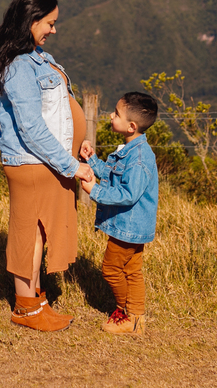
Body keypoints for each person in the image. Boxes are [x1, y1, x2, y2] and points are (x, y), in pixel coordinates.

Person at [0, 0, 93, 332]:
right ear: (31, 21)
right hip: (32, 163)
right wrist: (71, 165)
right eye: (49, 22)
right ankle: (26, 308)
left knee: (38, 234)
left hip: (47, 161)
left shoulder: (38, 57)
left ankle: (35, 300)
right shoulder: (19, 66)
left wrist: (79, 143)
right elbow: (30, 129)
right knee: (28, 235)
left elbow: (56, 110)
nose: (54, 29)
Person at [78, 91, 160, 336]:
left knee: (112, 270)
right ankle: (136, 319)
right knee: (132, 271)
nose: (111, 116)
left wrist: (95, 191)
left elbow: (127, 194)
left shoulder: (138, 159)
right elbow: (113, 174)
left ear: (131, 126)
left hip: (128, 227)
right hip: (132, 226)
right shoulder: (131, 150)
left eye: (116, 113)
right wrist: (92, 160)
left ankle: (125, 313)